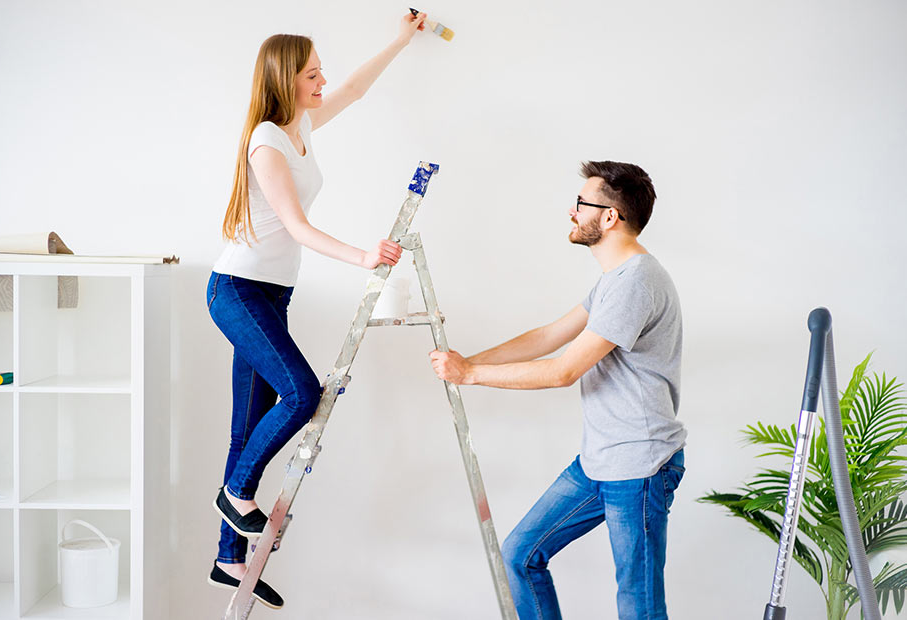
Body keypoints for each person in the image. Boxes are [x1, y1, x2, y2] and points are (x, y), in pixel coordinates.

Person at [206, 12, 426, 608]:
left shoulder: (299, 124)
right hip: (238, 291)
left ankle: (228, 561)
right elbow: (299, 227)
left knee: (245, 427)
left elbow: (354, 90)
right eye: (312, 72)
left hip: (271, 295)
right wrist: (362, 255)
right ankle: (237, 494)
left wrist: (401, 41)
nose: (323, 79)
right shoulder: (266, 141)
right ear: (286, 78)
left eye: (320, 70)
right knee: (302, 393)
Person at [430, 161, 687, 620]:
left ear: (609, 217)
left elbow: (563, 370)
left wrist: (470, 376)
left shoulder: (637, 282)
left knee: (639, 605)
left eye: (581, 204)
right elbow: (549, 335)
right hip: (600, 461)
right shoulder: (614, 280)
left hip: (640, 465)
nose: (571, 212)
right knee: (520, 556)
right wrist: (468, 361)